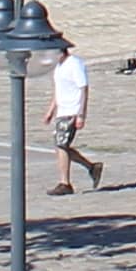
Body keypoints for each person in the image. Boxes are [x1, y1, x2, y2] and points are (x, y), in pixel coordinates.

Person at [47, 40, 104, 192]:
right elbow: (58, 90)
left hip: (72, 110)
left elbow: (83, 89)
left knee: (61, 145)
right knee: (61, 146)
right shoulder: (59, 67)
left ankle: (65, 183)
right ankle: (91, 167)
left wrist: (81, 115)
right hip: (62, 111)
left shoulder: (74, 64)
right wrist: (51, 110)